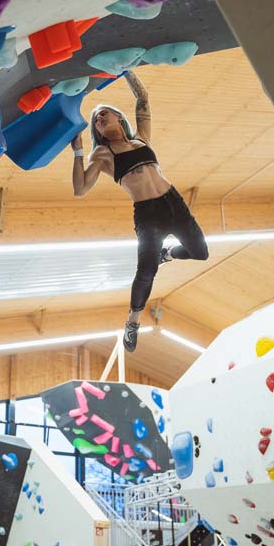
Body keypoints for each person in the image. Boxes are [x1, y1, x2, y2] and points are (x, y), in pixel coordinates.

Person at [71, 70, 208, 352]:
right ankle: (133, 321)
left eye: (104, 113)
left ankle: (167, 253)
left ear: (119, 118)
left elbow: (143, 98)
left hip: (173, 202)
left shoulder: (142, 139)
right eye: (96, 119)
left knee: (200, 252)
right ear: (96, 132)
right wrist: (78, 153)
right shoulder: (102, 155)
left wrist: (125, 69)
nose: (99, 118)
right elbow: (81, 189)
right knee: (146, 270)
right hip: (147, 215)